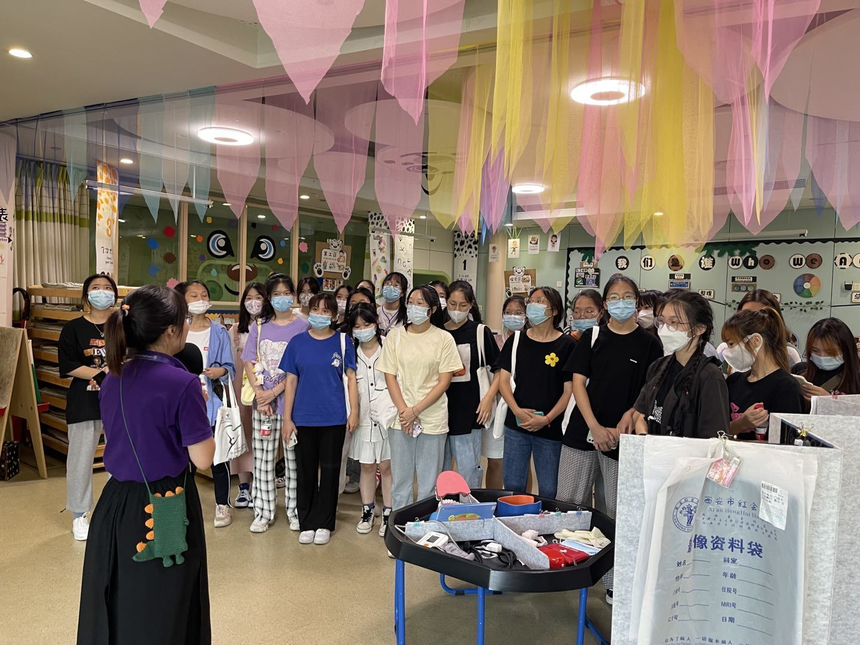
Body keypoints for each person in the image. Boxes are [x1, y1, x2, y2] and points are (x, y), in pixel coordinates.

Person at [78, 285, 214, 644]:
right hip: (165, 502)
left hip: (115, 504)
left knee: (120, 599)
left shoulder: (112, 376)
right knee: (165, 605)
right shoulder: (183, 383)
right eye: (184, 320)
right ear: (171, 331)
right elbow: (203, 459)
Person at [559, 275, 662, 605]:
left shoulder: (650, 343)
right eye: (614, 297)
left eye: (627, 296)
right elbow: (578, 384)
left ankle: (614, 581)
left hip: (625, 436)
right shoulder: (592, 337)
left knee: (616, 511)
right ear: (605, 304)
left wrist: (625, 421)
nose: (621, 302)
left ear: (637, 302)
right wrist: (595, 426)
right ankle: (568, 569)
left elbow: (649, 390)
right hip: (582, 432)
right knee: (569, 505)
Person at [281, 293, 358, 545]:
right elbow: (290, 382)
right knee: (305, 472)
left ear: (334, 315)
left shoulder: (343, 342)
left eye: (326, 311)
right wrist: (287, 418)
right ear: (308, 312)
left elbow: (351, 379)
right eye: (315, 309)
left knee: (330, 472)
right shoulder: (297, 343)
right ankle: (307, 522)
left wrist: (354, 412)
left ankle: (325, 522)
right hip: (303, 418)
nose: (320, 315)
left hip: (334, 418)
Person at [378, 285, 462, 510]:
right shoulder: (395, 336)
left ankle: (424, 524)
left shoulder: (444, 339)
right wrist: (405, 412)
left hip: (432, 418)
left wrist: (415, 411)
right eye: (411, 302)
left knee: (428, 482)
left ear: (432, 309)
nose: (413, 307)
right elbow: (389, 376)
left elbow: (444, 382)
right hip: (400, 418)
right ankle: (399, 524)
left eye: (420, 303)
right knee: (400, 482)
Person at [242, 274, 309, 533]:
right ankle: (263, 512)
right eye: (277, 294)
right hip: (264, 407)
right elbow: (249, 361)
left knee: (294, 461)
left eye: (287, 293)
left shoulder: (303, 326)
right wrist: (261, 394)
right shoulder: (259, 326)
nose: (282, 298)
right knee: (263, 461)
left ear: (293, 295)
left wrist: (274, 392)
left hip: (293, 406)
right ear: (269, 298)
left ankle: (295, 511)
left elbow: (301, 368)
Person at [496, 286, 576, 499]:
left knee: (549, 489)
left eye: (540, 301)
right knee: (513, 485)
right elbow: (503, 381)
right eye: (531, 301)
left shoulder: (567, 345)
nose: (533, 305)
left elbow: (569, 391)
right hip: (517, 425)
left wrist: (547, 419)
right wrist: (517, 411)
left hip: (550, 428)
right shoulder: (516, 340)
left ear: (554, 310)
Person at [58, 274, 118, 541]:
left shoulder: (123, 326)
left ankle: (116, 508)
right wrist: (102, 374)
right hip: (84, 400)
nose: (101, 292)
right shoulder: (73, 328)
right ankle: (79, 513)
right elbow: (68, 365)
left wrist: (110, 376)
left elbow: (132, 356)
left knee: (119, 455)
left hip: (119, 398)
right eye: (95, 288)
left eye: (107, 288)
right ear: (86, 296)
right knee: (80, 459)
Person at [175, 281, 235, 529]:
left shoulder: (219, 331)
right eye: (194, 295)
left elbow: (230, 367)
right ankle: (183, 505)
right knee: (183, 459)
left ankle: (223, 504)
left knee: (219, 458)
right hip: (182, 404)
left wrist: (220, 371)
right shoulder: (175, 329)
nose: (200, 299)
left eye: (204, 295)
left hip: (213, 404)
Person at [632, 292, 730, 437]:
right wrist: (646, 439)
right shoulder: (658, 367)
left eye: (674, 322)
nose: (665, 329)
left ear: (699, 328)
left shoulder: (709, 376)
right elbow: (640, 414)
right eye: (662, 321)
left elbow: (714, 436)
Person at [344, 304, 397, 535]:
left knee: (386, 466)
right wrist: (353, 413)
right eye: (357, 326)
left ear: (376, 323)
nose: (363, 329)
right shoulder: (350, 351)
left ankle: (388, 513)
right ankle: (367, 510)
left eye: (367, 324)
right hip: (362, 416)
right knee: (366, 466)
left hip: (387, 416)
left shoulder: (389, 346)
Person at [443, 281, 500, 489]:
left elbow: (499, 369)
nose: (457, 310)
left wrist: (488, 399)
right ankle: (442, 506)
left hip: (470, 413)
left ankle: (470, 507)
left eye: (463, 305)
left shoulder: (480, 332)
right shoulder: (438, 332)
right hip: (439, 412)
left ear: (471, 305)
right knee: (440, 473)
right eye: (452, 304)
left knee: (469, 472)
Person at [722, 307, 805, 440]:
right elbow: (719, 431)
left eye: (731, 344)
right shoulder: (733, 382)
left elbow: (786, 441)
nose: (728, 351)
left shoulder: (786, 387)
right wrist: (742, 423)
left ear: (755, 341)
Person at [228, 282, 267, 509]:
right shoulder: (235, 330)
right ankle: (244, 487)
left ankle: (261, 484)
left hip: (265, 387)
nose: (253, 302)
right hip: (240, 388)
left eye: (258, 297)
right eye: (249, 298)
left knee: (263, 435)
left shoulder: (272, 327)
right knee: (243, 433)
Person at [724, 290, 802, 367]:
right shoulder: (729, 350)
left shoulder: (788, 353)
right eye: (745, 314)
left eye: (759, 315)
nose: (751, 321)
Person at [794, 318, 860, 398]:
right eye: (815, 350)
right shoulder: (799, 371)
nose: (822, 356)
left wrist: (828, 400)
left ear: (846, 350)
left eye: (830, 352)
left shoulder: (856, 380)